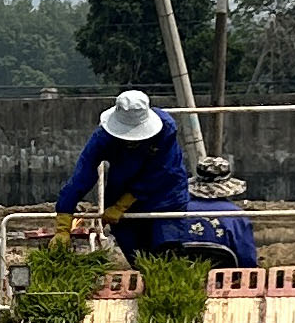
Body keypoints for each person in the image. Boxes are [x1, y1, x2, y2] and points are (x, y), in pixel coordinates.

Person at [54, 89, 258, 262]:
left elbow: (161, 172)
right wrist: (64, 221)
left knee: (165, 250)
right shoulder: (103, 137)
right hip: (123, 185)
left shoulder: (165, 131)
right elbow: (83, 173)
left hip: (165, 194)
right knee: (134, 250)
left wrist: (122, 204)